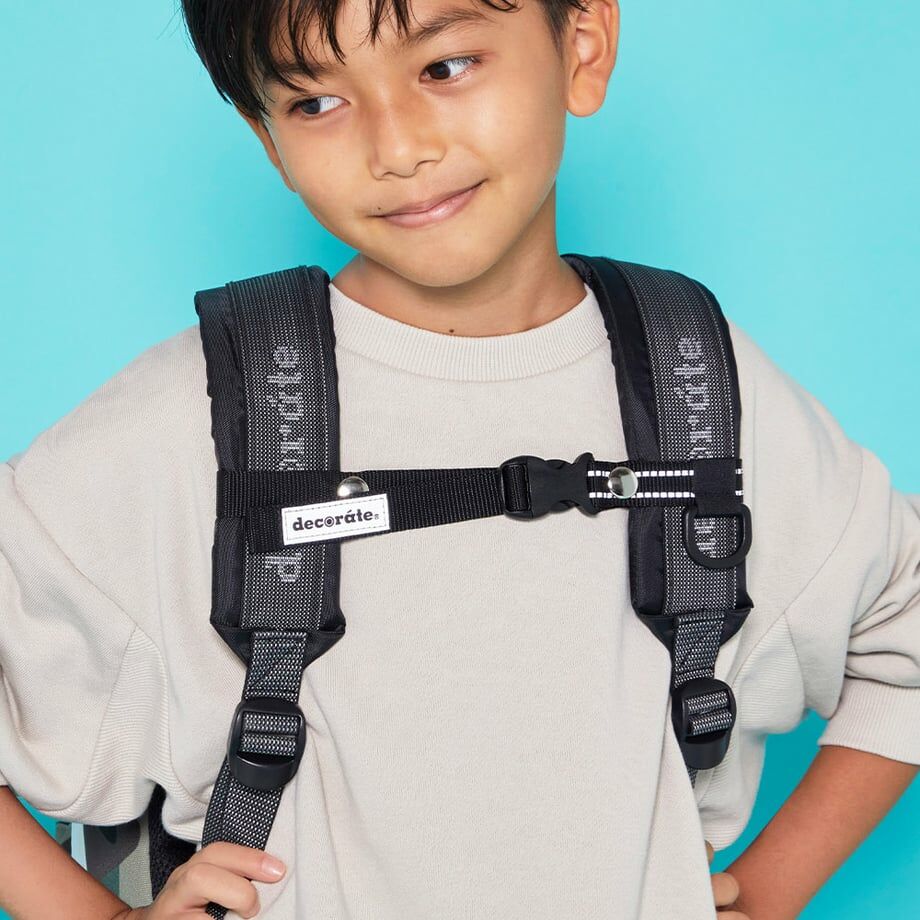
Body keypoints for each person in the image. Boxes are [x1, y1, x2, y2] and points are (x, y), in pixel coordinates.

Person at [1, 0, 918, 917]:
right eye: (317, 102)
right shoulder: (199, 417)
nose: (398, 147)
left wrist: (771, 890)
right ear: (268, 139)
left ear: (582, 45)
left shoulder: (698, 391)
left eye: (445, 68)